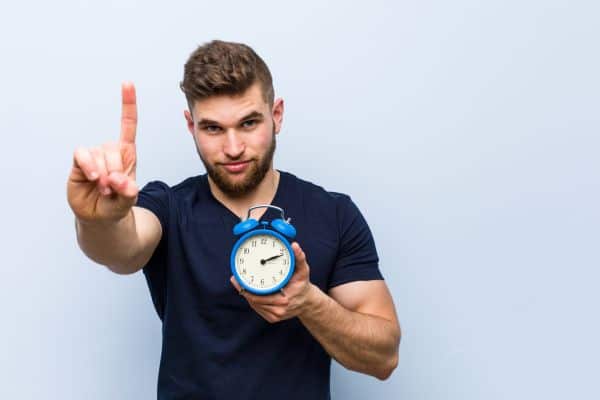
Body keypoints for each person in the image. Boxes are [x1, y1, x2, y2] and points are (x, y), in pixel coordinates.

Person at [67, 39, 401, 399]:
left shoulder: (334, 214)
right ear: (190, 126)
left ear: (277, 116)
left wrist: (309, 302)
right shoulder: (169, 206)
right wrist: (98, 220)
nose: (233, 147)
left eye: (248, 123)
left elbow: (384, 357)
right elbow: (122, 249)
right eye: (213, 128)